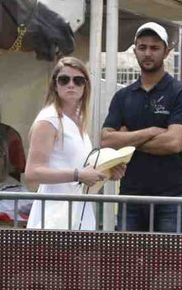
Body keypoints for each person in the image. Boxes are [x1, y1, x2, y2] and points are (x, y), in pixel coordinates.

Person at [100, 22, 182, 233]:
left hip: (172, 197)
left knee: (169, 264)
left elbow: (173, 143)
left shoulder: (181, 93)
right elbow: (106, 141)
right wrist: (152, 132)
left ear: (167, 51)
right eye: (142, 47)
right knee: (128, 264)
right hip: (130, 195)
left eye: (154, 47)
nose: (148, 53)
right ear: (134, 51)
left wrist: (127, 139)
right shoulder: (123, 96)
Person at [25, 57, 125, 230]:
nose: (71, 85)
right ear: (55, 86)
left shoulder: (79, 121)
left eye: (78, 80)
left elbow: (80, 174)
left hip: (79, 212)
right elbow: (32, 173)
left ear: (85, 86)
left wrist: (108, 173)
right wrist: (78, 174)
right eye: (64, 80)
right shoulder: (49, 119)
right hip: (53, 215)